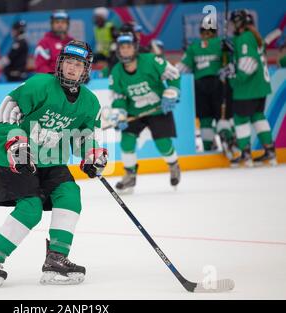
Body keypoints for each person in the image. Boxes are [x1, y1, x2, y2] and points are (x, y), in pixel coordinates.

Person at [0, 40, 108, 287]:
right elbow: (2, 119)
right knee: (31, 209)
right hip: (16, 158)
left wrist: (91, 155)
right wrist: (16, 144)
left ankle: (56, 259)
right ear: (60, 63)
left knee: (70, 194)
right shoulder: (39, 85)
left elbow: (84, 137)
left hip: (51, 160)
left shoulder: (90, 102)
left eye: (78, 64)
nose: (71, 68)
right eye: (68, 61)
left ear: (86, 70)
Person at [107, 32, 181, 193]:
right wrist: (120, 114)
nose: (125, 50)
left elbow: (174, 74)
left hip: (158, 109)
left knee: (163, 144)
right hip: (135, 112)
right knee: (126, 141)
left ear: (135, 48)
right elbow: (119, 97)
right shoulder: (116, 72)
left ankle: (173, 165)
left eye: (128, 47)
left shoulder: (151, 60)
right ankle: (130, 176)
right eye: (122, 47)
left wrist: (172, 91)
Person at [176, 16, 236, 158]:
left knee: (205, 120)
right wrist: (228, 55)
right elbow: (233, 64)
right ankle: (228, 140)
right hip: (219, 84)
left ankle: (208, 150)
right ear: (215, 31)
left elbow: (182, 68)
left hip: (199, 86)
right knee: (222, 117)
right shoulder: (222, 43)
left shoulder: (194, 46)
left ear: (200, 32)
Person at [222, 10, 276, 166]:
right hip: (260, 88)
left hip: (247, 89)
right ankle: (270, 152)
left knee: (240, 118)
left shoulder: (244, 38)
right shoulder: (252, 36)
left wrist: (231, 75)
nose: (232, 25)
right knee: (257, 117)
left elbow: (248, 66)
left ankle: (246, 155)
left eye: (233, 23)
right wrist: (232, 50)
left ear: (239, 23)